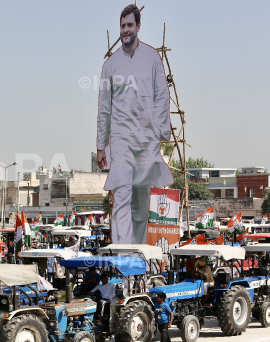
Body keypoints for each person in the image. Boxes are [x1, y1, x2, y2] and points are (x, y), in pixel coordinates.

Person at [96, 4, 172, 244]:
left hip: (146, 141)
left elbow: (162, 95)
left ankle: (137, 251)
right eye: (122, 26)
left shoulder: (152, 58)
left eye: (129, 25)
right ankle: (122, 255)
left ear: (138, 26)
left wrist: (163, 132)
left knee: (140, 202)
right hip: (121, 142)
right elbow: (104, 107)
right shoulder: (110, 65)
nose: (125, 30)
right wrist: (100, 145)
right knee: (121, 196)